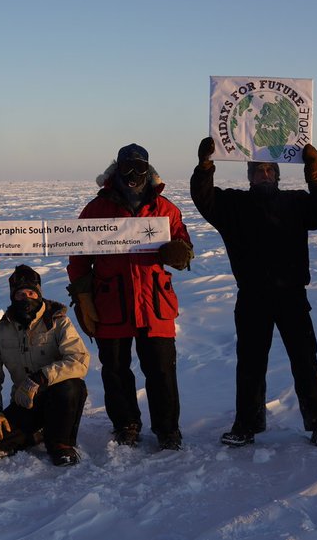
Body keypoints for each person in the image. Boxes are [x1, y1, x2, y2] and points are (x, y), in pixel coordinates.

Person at [190, 138, 317, 449]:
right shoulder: (234, 205)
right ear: (250, 175)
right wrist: (205, 167)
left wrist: (314, 175)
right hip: (253, 296)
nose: (265, 174)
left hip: (292, 296)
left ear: (278, 174)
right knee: (250, 363)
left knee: (304, 361)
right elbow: (205, 200)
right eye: (259, 170)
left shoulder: (297, 203)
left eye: (271, 169)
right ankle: (247, 424)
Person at [66, 143, 194, 450]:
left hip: (154, 303)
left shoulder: (165, 208)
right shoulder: (96, 210)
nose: (133, 174)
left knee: (161, 370)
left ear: (148, 170)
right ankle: (126, 424)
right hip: (111, 303)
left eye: (139, 168)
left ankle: (167, 429)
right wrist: (83, 297)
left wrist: (180, 252)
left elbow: (183, 246)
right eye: (126, 168)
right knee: (115, 370)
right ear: (116, 170)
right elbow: (79, 257)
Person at [0, 265, 90, 466]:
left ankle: (61, 445)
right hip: (25, 401)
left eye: (31, 293)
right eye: (21, 294)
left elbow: (78, 360)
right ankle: (37, 434)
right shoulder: (1, 331)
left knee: (72, 387)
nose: (26, 298)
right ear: (13, 297)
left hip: (58, 396)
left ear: (39, 294)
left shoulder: (59, 322)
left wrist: (40, 378)